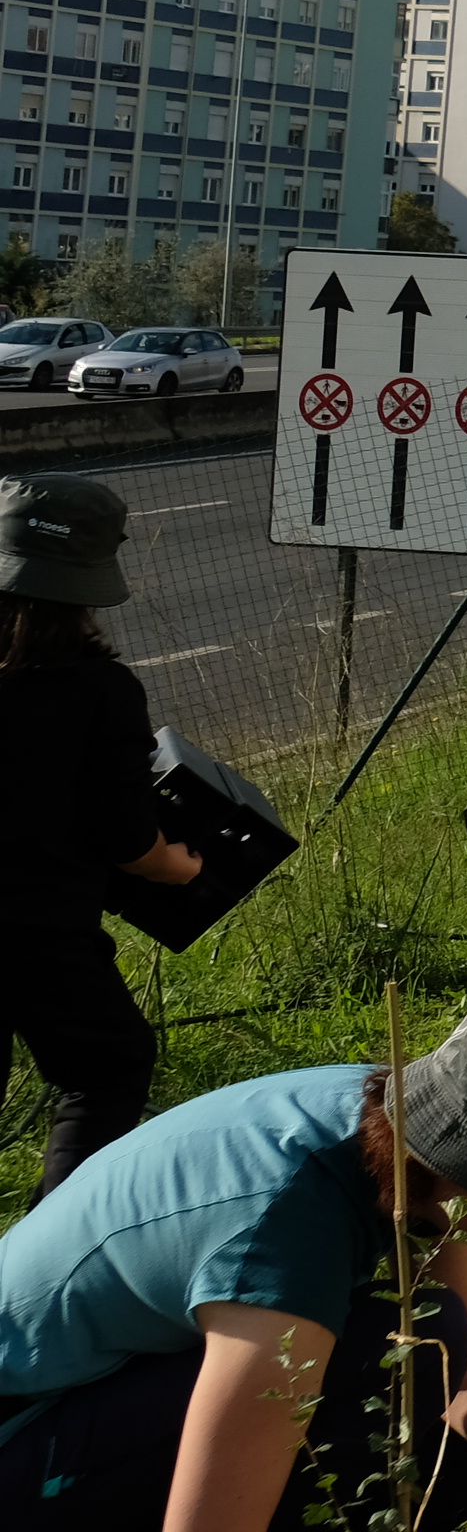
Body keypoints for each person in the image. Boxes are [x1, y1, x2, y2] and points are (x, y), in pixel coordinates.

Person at [0, 982, 467, 1532]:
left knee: (460, 1419)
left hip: (110, 1384)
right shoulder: (287, 1232)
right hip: (24, 1434)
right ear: (447, 1142)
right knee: (377, 1361)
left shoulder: (386, 1131)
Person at [0, 477, 207, 1192]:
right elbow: (127, 839)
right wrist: (173, 866)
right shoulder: (97, 688)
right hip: (37, 930)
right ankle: (52, 1262)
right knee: (108, 1066)